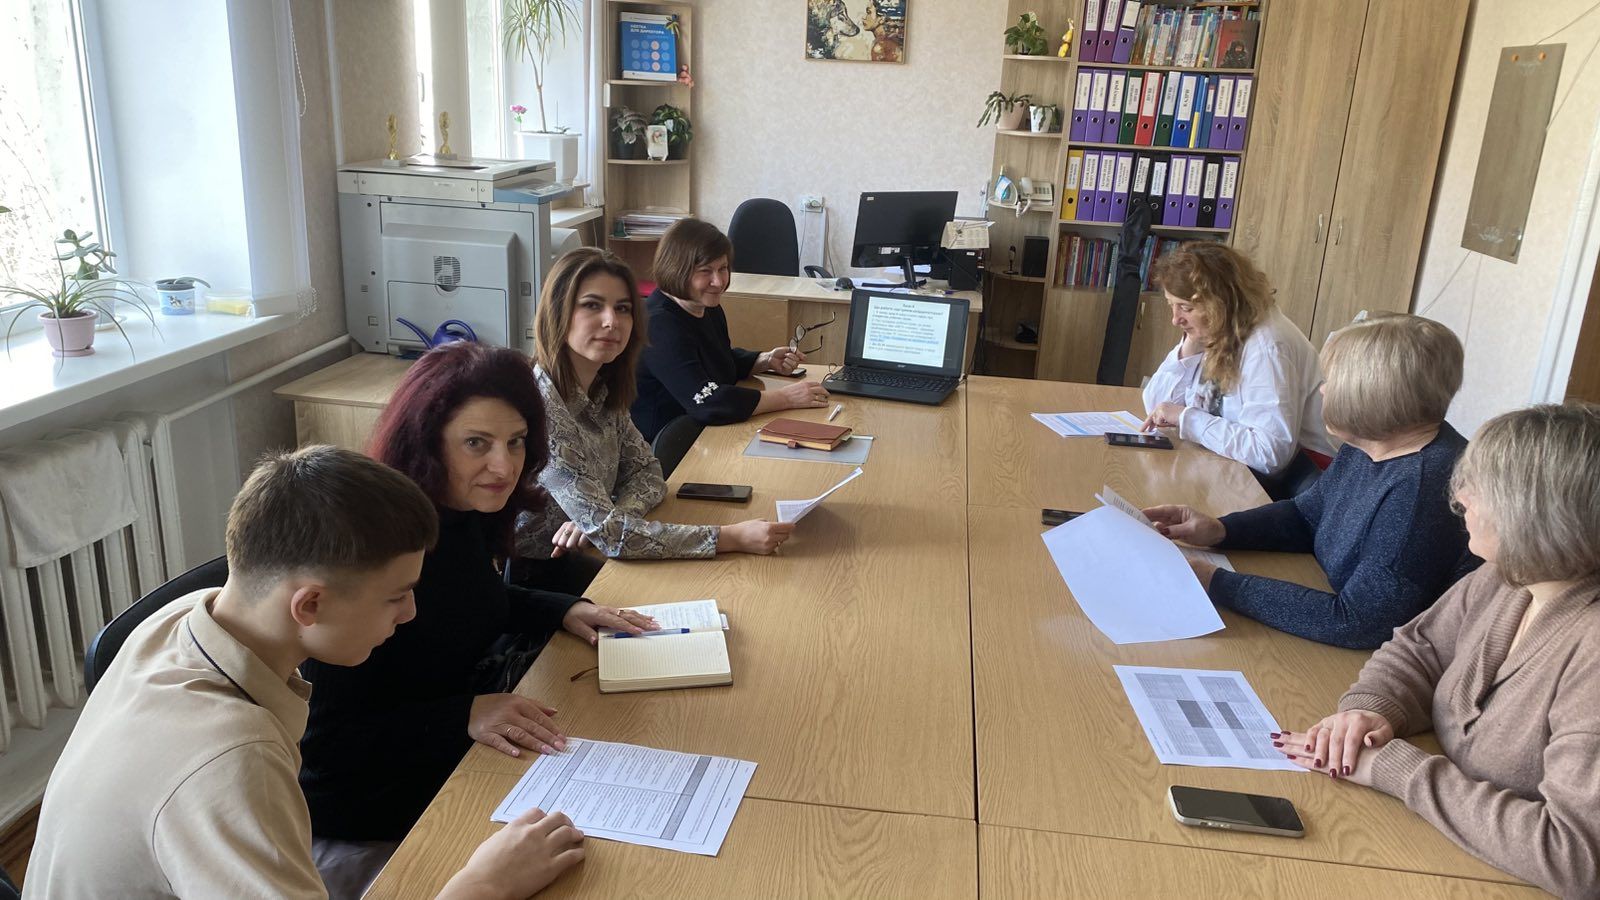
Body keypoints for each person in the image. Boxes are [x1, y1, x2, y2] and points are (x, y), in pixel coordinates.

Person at [27, 445, 586, 899]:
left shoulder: (182, 618)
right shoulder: (232, 761)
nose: (411, 614)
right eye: (396, 596)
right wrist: (486, 884)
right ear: (310, 605)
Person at [298, 343, 653, 899]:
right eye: (476, 443)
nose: (504, 466)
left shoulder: (461, 512)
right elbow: (326, 748)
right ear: (427, 443)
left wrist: (565, 608)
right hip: (372, 809)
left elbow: (469, 597)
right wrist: (460, 714)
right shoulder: (376, 548)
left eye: (516, 442)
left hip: (453, 753)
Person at [1275, 402, 1600, 897]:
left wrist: (1395, 769)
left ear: (1539, 514)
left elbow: (1574, 856)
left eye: (1482, 487)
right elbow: (1419, 649)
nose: (1461, 497)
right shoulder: (1507, 576)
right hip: (1434, 848)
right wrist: (1372, 710)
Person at [1145, 314, 1477, 648]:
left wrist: (1217, 583)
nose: (1323, 390)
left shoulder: (1423, 490)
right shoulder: (1375, 441)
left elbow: (1356, 622)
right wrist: (1221, 530)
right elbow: (1307, 515)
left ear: (1376, 394)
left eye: (1334, 381)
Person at [516, 248, 793, 570]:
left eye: (623, 308)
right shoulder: (544, 407)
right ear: (558, 312)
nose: (611, 321)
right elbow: (612, 537)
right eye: (592, 305)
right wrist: (730, 537)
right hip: (541, 571)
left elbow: (648, 473)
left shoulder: (602, 389)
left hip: (594, 554)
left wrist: (609, 518)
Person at [1140, 242, 1336, 487]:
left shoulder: (1267, 347)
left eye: (1186, 308)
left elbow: (1270, 454)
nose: (1175, 319)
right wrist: (1190, 345)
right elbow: (1156, 407)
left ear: (1219, 304)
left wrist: (1187, 419)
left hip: (1298, 482)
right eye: (1172, 305)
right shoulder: (1221, 329)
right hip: (1237, 468)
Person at [631, 218, 829, 442]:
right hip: (666, 445)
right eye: (705, 271)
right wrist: (786, 398)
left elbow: (716, 362)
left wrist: (764, 360)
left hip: (704, 433)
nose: (718, 282)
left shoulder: (706, 306)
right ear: (676, 270)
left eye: (723, 268)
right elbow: (707, 401)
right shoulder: (658, 324)